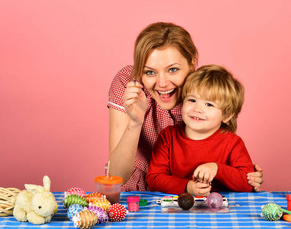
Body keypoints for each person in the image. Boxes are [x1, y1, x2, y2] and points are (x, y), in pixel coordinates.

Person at [108, 22, 263, 191]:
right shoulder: (128, 85)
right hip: (140, 191)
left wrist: (240, 173)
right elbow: (116, 177)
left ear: (191, 64)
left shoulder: (201, 90)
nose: (162, 83)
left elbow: (222, 150)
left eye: (173, 69)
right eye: (150, 72)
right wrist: (135, 122)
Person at [146, 65, 255, 195]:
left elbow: (248, 184)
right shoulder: (168, 136)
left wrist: (217, 169)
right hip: (178, 209)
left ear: (226, 115)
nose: (197, 109)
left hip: (220, 211)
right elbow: (154, 179)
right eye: (192, 100)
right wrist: (188, 187)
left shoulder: (232, 142)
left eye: (209, 104)